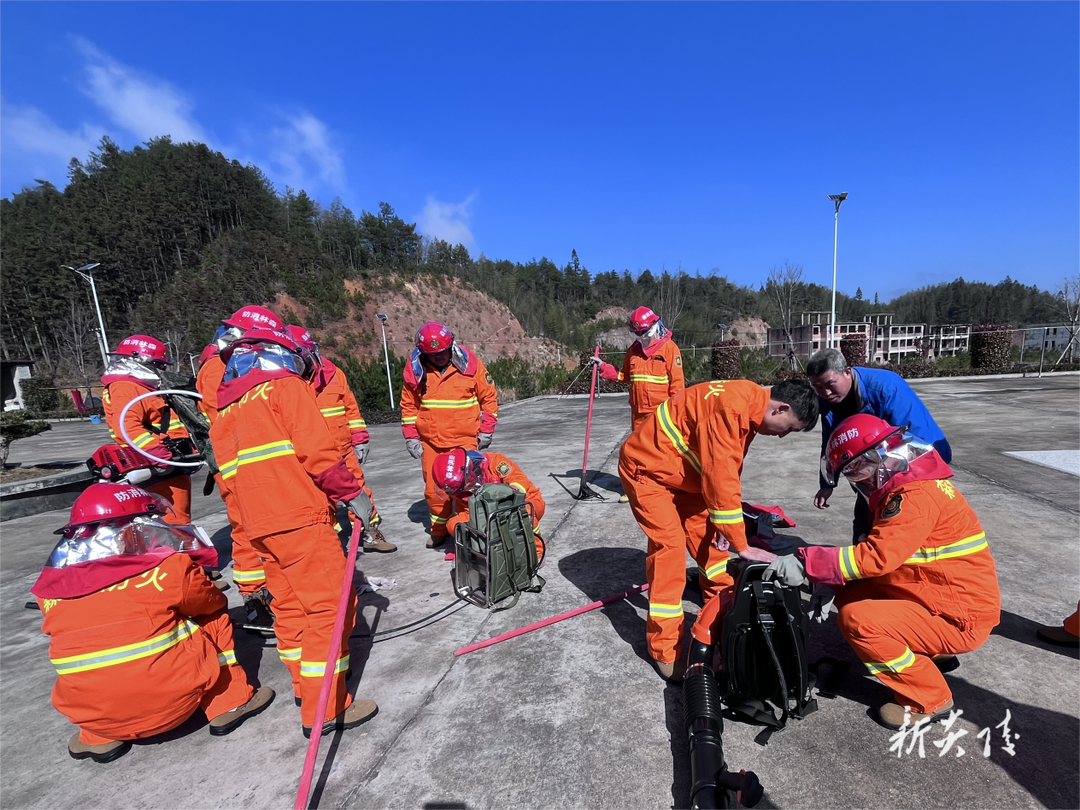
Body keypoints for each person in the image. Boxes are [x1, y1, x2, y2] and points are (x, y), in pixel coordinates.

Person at [764, 414, 1000, 729]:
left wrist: (807, 564)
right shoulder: (912, 487)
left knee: (858, 621)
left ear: (877, 459)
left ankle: (929, 697)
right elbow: (890, 560)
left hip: (957, 618)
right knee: (851, 595)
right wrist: (831, 584)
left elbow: (877, 558)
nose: (858, 482)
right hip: (941, 597)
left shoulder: (913, 498)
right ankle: (930, 652)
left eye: (856, 472)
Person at [211, 328, 378, 738]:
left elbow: (231, 486)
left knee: (290, 610)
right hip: (299, 518)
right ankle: (328, 706)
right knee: (329, 609)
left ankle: (306, 688)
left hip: (259, 527)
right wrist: (353, 494)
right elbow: (319, 454)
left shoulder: (227, 414)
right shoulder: (283, 389)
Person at [31, 483, 274, 763]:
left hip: (96, 718)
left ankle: (98, 738)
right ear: (137, 527)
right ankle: (231, 702)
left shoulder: (49, 590)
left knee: (84, 642)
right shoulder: (167, 569)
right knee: (213, 618)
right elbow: (211, 603)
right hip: (173, 708)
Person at [618, 378, 819, 682]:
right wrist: (743, 544)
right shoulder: (732, 407)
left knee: (715, 552)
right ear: (781, 408)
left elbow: (727, 471)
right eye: (789, 428)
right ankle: (665, 648)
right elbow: (720, 472)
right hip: (648, 472)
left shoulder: (751, 404)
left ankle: (725, 628)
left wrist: (724, 520)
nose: (782, 437)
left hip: (689, 480)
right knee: (669, 551)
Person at [197, 306, 283, 633]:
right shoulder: (219, 368)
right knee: (248, 529)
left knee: (255, 527)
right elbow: (232, 419)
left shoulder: (222, 364)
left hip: (246, 461)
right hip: (238, 465)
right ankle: (255, 598)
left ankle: (263, 592)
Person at [807, 348, 951, 541]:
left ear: (847, 372)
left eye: (830, 384)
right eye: (817, 387)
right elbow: (831, 441)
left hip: (916, 467)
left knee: (902, 529)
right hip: (873, 474)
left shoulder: (887, 388)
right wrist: (827, 483)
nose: (825, 392)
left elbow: (911, 439)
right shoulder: (826, 400)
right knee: (864, 529)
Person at [284, 325, 395, 553]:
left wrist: (360, 438)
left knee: (359, 491)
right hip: (309, 457)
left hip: (342, 450)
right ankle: (330, 546)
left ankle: (370, 532)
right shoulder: (285, 385)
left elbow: (351, 409)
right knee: (320, 502)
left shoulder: (334, 374)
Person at [401, 321, 499, 548]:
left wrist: (487, 430)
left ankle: (473, 529)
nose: (439, 357)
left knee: (469, 489)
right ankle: (439, 530)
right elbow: (408, 406)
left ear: (451, 346)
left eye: (442, 352)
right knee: (434, 492)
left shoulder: (471, 366)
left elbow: (489, 398)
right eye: (432, 354)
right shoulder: (416, 372)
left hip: (464, 441)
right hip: (431, 443)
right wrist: (411, 436)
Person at [593, 307, 685, 502]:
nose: (640, 337)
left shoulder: (670, 349)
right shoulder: (633, 351)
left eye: (642, 332)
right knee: (636, 452)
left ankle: (666, 488)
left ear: (653, 327)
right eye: (636, 333)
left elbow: (677, 386)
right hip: (638, 412)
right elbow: (624, 375)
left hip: (662, 413)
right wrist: (603, 368)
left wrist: (677, 415)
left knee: (663, 452)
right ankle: (635, 489)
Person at [102, 334, 194, 523]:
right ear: (141, 361)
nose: (161, 369)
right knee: (172, 523)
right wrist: (155, 452)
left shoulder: (141, 386)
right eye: (158, 364)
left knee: (176, 519)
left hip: (170, 462)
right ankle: (177, 553)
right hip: (157, 465)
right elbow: (126, 426)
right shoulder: (126, 386)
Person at [432, 447, 546, 560]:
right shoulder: (458, 486)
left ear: (469, 470)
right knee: (454, 525)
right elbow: (464, 510)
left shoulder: (496, 462)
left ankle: (537, 552)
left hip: (522, 501)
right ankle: (481, 551)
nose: (466, 489)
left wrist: (507, 494)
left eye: (466, 485)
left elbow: (518, 479)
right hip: (487, 512)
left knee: (524, 511)